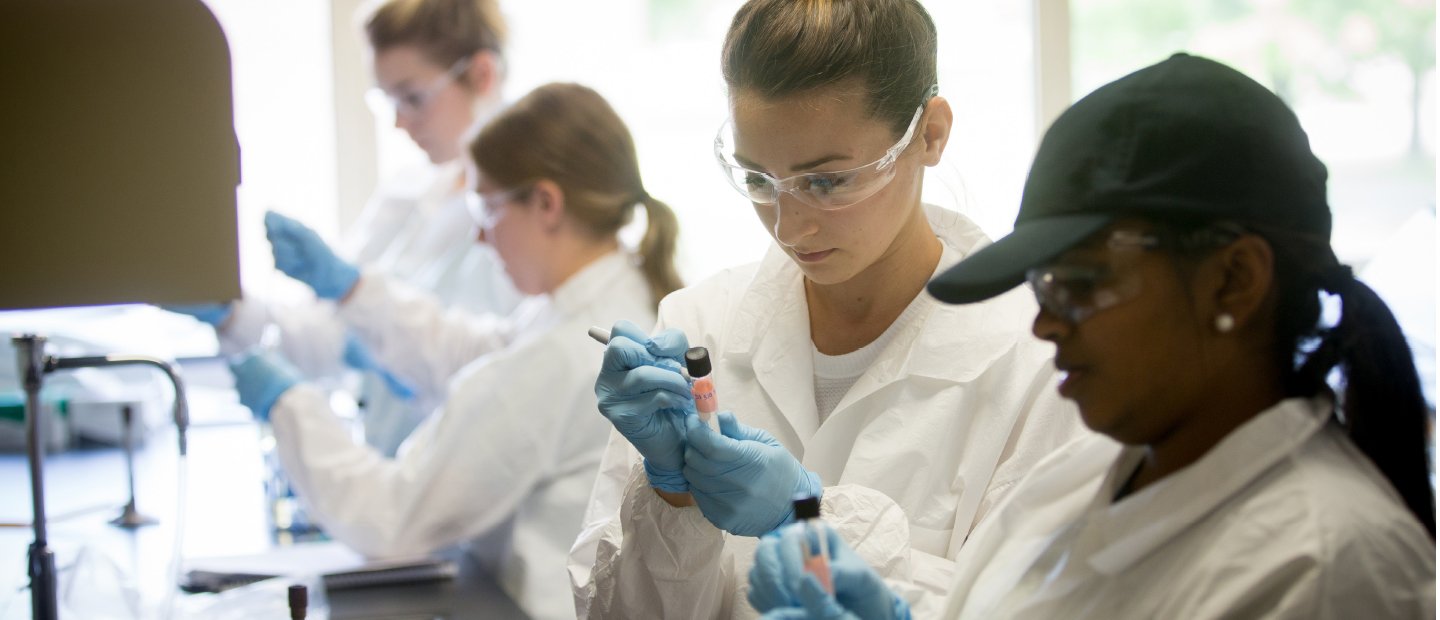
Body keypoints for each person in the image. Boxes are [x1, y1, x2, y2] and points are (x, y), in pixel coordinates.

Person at [748, 53, 1437, 619]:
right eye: (1044, 287)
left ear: (1234, 281)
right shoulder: (1080, 479)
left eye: (1081, 284)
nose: (1045, 324)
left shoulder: (1323, 567)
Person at [568, 1, 1085, 617]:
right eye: (759, 179)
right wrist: (671, 500)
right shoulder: (701, 322)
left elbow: (1042, 606)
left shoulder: (1041, 360)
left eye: (826, 181)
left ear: (931, 135)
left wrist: (808, 519)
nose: (789, 227)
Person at [227, 82, 684, 620]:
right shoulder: (611, 296)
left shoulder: (565, 352)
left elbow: (390, 519)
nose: (480, 239)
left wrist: (288, 403)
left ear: (545, 203)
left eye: (486, 208)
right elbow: (480, 353)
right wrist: (351, 289)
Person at [170, 0, 521, 456]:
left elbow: (502, 373)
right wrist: (230, 311)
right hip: (398, 469)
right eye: (388, 101)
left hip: (478, 473)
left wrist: (364, 308)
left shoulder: (526, 213)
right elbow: (329, 334)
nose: (400, 122)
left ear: (481, 75)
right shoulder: (409, 194)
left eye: (413, 97)